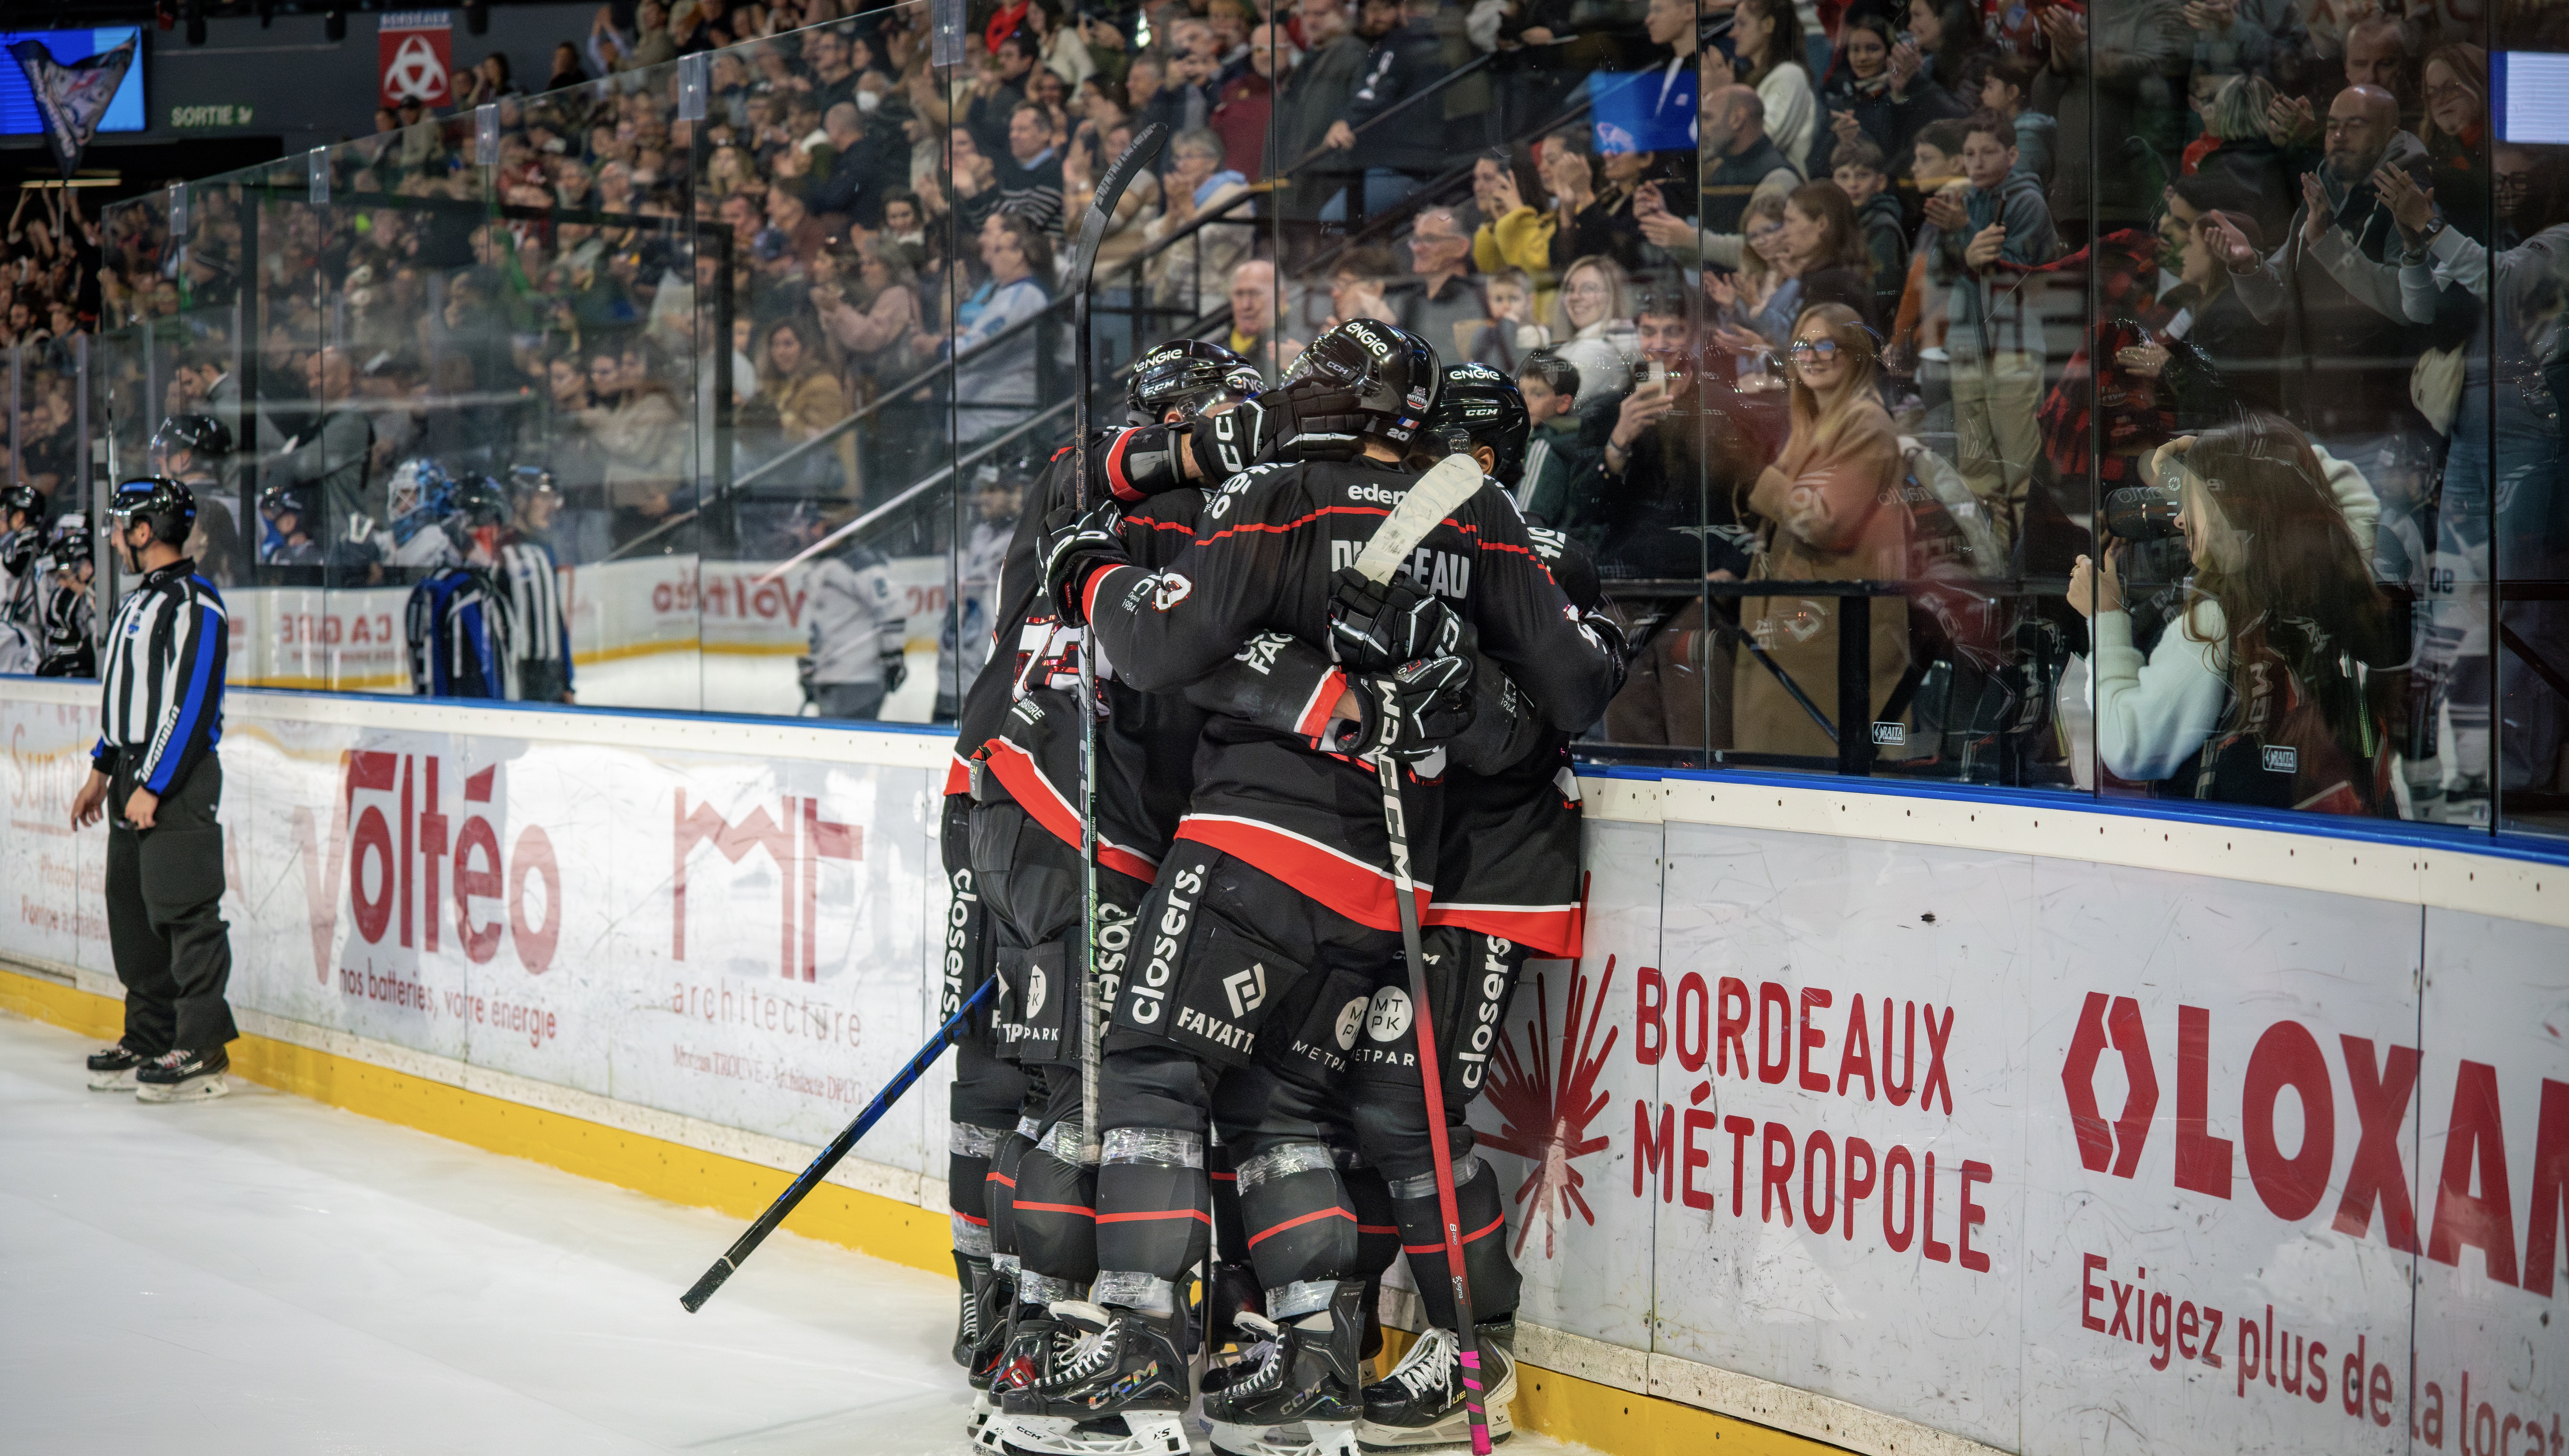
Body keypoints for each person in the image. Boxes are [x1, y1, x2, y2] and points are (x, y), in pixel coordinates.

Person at [1020, 320, 1618, 1451]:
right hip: (1389, 876)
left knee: (1151, 1068)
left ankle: (1145, 1338)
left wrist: (1091, 573)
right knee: (1285, 1107)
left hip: (1256, 842)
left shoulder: (1280, 491)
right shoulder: (1479, 516)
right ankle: (1313, 1351)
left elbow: (1159, 648)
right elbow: (1575, 685)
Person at [2070, 420, 2399, 814]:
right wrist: (2234, 454)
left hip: (2246, 845)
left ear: (2233, 508)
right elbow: (2339, 491)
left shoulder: (2215, 621)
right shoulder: (2327, 578)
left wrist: (2104, 619)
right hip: (2346, 829)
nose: (2177, 521)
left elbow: (2129, 745)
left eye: (2189, 504)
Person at [69, 479, 237, 1103]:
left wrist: (155, 784)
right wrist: (102, 771)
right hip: (133, 774)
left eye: (121, 526)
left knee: (185, 910)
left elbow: (189, 705)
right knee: (133, 910)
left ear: (145, 532)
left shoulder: (199, 604)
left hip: (179, 776)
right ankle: (148, 1033)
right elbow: (124, 699)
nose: (114, 537)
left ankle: (201, 1044)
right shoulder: (136, 604)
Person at [1733, 303, 1912, 759]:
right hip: (1793, 643)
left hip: (1829, 649)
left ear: (1854, 355)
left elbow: (1824, 521)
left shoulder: (1868, 425)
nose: (1810, 356)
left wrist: (1757, 474)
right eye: (1800, 346)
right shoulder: (1806, 427)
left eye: (1825, 344)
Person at [404, 476, 519, 700]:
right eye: (484, 524)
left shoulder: (428, 588)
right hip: (471, 730)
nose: (494, 535)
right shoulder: (469, 594)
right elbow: (481, 691)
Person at [797, 505, 906, 721]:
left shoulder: (857, 562)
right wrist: (814, 663)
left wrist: (893, 656)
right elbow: (825, 626)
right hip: (833, 678)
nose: (798, 534)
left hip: (858, 681)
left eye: (802, 526)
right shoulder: (824, 565)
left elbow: (892, 603)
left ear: (819, 527)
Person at [497, 466, 576, 705]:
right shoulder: (500, 554)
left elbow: (555, 619)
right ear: (519, 501)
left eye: (553, 498)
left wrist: (566, 682)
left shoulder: (544, 550)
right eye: (543, 497)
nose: (551, 506)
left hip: (549, 681)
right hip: (517, 683)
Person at [1514, 348, 1603, 541]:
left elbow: (1526, 517)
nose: (1525, 402)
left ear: (1563, 403)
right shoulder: (1575, 437)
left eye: (1537, 395)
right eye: (1521, 393)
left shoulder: (1544, 447)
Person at [1729, 0, 1816, 176]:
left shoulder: (1790, 75)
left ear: (1768, 25)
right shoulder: (1747, 79)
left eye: (1742, 24)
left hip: (1780, 189)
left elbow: (1766, 139)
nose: (1733, 33)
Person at [32, 513, 97, 679]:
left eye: (65, 577)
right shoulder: (66, 597)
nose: (62, 584)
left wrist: (65, 663)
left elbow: (97, 646)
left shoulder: (99, 596)